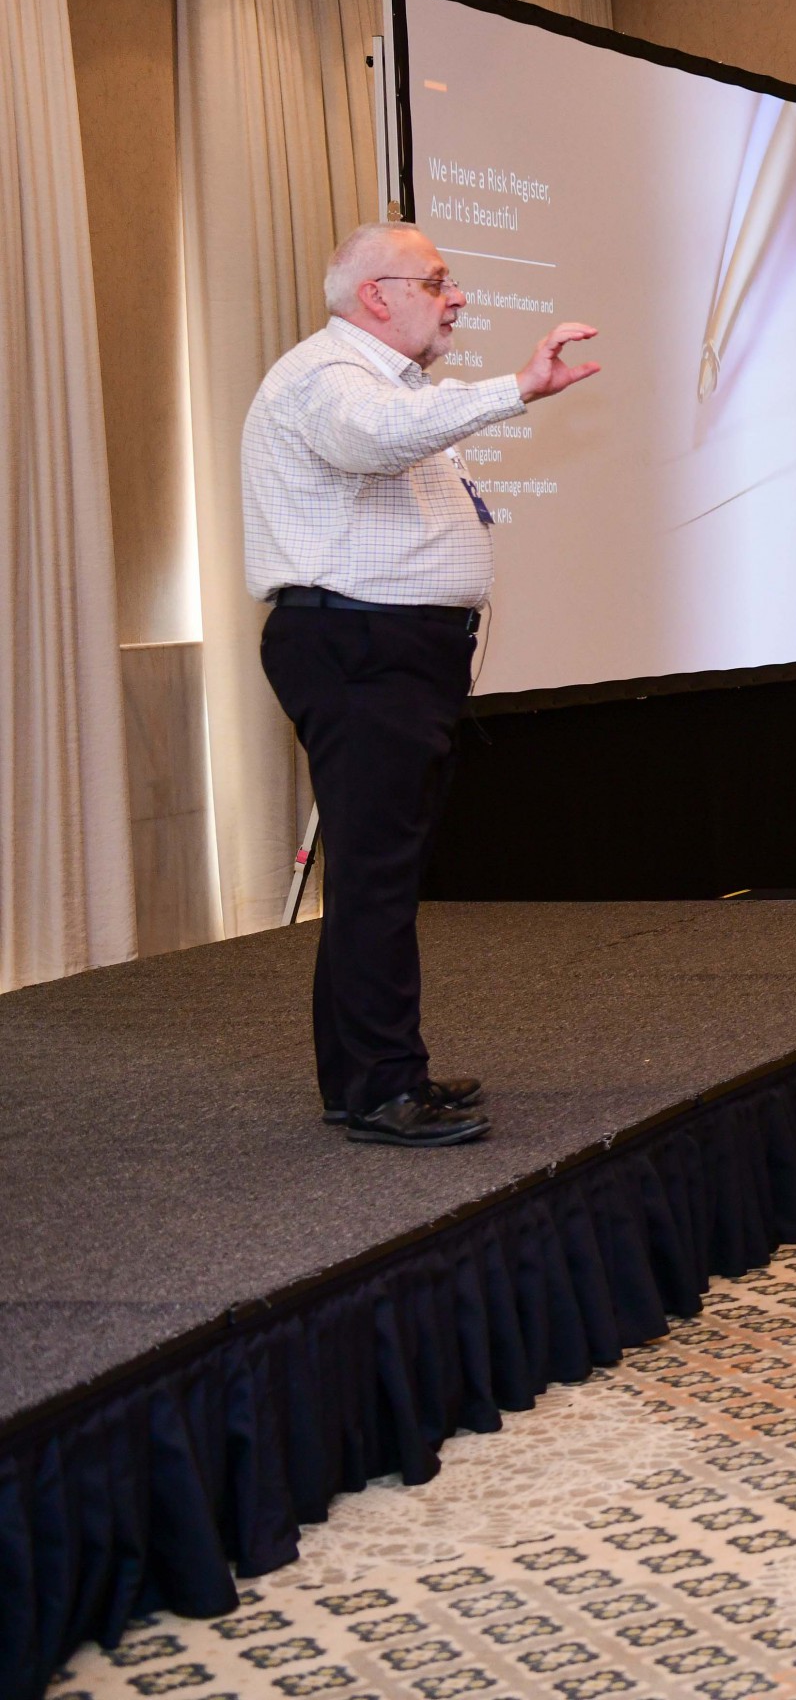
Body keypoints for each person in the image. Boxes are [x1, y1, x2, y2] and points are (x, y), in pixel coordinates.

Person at [244, 222, 602, 1145]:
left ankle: (361, 1075)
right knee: (375, 879)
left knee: (379, 875)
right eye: (438, 281)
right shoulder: (331, 379)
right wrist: (517, 387)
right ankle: (380, 1090)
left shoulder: (391, 385)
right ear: (375, 295)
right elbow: (376, 442)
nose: (459, 298)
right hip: (359, 650)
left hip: (392, 653)